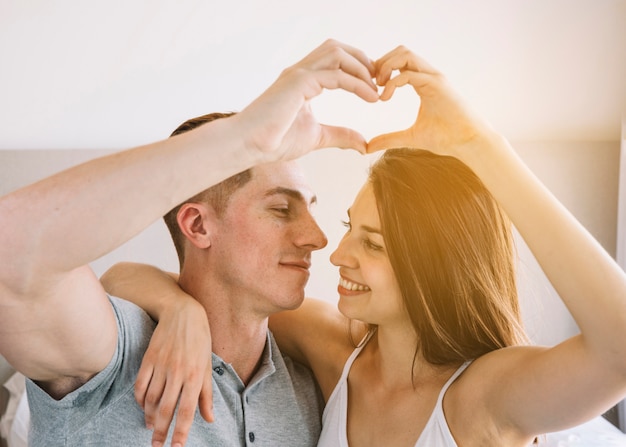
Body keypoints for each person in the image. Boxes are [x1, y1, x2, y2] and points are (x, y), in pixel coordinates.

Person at [104, 46, 626, 446]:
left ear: (432, 264)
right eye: (350, 225)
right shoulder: (334, 350)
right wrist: (178, 311)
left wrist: (480, 147)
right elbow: (135, 279)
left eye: (372, 244)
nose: (334, 252)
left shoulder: (485, 395)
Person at [0, 39, 381, 447]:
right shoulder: (115, 352)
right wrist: (243, 139)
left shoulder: (313, 385)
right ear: (198, 225)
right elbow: (10, 253)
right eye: (281, 210)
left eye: (310, 209)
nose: (318, 239)